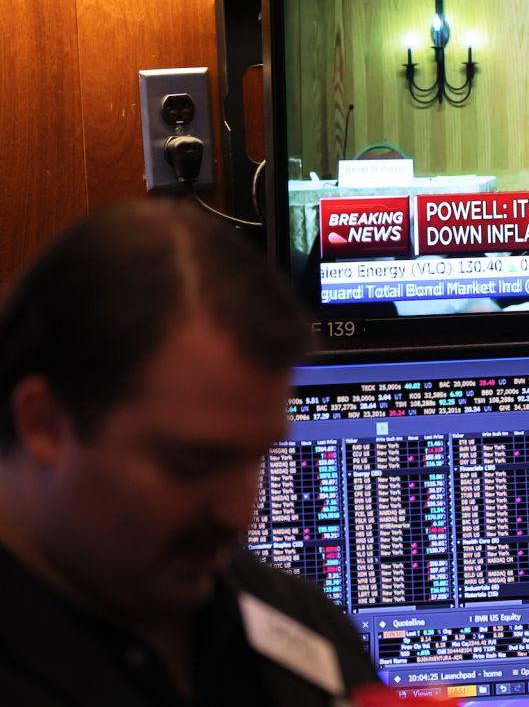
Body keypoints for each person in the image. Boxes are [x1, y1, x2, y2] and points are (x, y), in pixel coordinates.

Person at [0, 201, 380, 704]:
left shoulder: (299, 619)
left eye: (256, 460)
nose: (240, 513)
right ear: (44, 422)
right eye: (193, 465)